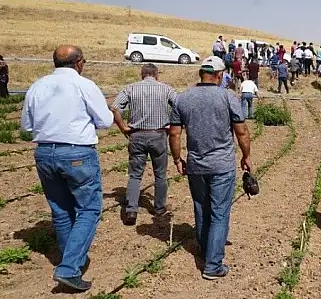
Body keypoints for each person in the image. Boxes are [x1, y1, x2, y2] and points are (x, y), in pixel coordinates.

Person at [20, 45, 114, 291]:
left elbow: (27, 126)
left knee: (61, 210)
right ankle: (69, 268)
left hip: (44, 152)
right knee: (89, 209)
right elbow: (105, 121)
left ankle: (72, 260)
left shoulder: (37, 86)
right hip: (77, 152)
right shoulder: (84, 85)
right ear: (79, 62)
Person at [168, 56, 252, 280]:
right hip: (222, 165)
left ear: (200, 74)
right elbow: (241, 131)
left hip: (196, 165)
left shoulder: (182, 98)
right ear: (220, 75)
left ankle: (205, 250)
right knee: (219, 212)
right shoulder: (228, 97)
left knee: (201, 208)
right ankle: (213, 265)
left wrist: (177, 159)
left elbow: (174, 133)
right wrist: (246, 156)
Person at [110, 63, 177, 226]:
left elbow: (114, 108)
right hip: (158, 134)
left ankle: (131, 209)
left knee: (135, 174)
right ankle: (159, 207)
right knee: (160, 174)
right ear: (156, 75)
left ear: (142, 74)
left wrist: (123, 127)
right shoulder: (166, 89)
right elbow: (179, 105)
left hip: (137, 135)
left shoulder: (130, 88)